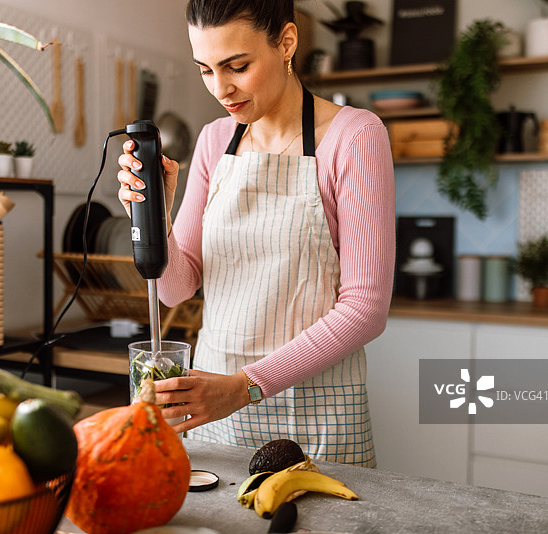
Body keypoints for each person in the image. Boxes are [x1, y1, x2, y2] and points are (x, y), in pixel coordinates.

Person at [117, 0, 394, 467]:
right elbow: (176, 288)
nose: (220, 88)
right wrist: (153, 216)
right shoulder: (213, 141)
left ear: (286, 43)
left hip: (316, 418)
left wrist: (244, 386)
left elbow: (366, 309)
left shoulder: (355, 137)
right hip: (212, 414)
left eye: (237, 66)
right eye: (205, 70)